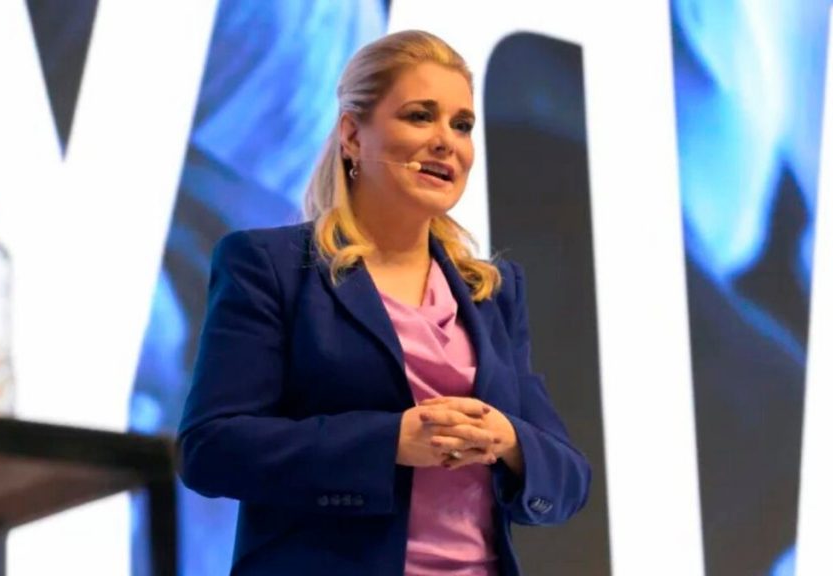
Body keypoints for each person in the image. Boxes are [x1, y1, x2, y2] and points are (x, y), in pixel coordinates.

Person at [176, 29, 591, 575]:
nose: (446, 141)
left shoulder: (490, 291)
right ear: (352, 134)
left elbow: (568, 478)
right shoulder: (271, 266)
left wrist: (509, 440)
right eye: (420, 116)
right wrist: (389, 442)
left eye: (462, 125)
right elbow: (211, 449)